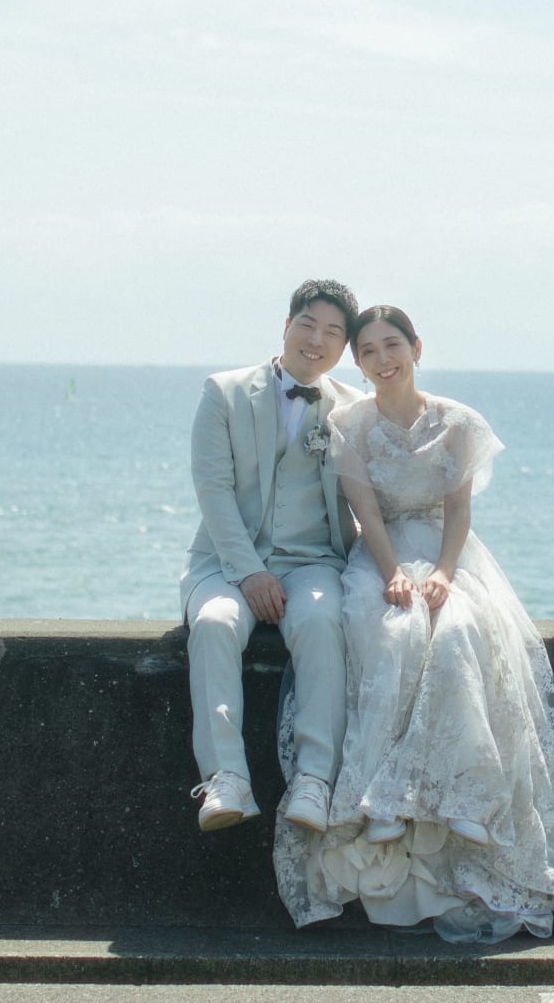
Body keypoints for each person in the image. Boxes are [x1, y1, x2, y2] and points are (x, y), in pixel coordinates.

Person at [277, 304, 554, 941]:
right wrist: (393, 573)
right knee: (391, 632)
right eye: (368, 351)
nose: (382, 360)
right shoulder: (349, 425)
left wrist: (445, 574)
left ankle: (468, 798)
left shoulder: (457, 421)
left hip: (449, 552)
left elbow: (458, 511)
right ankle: (383, 802)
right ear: (358, 363)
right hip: (382, 553)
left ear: (416, 348)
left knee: (456, 633)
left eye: (391, 345)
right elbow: (367, 514)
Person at [182, 279, 363, 834]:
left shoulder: (354, 410)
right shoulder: (224, 392)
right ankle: (226, 778)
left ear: (344, 346)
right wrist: (250, 572)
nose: (317, 340)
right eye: (307, 325)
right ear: (286, 326)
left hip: (314, 561)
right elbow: (213, 490)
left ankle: (315, 779)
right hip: (226, 559)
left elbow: (369, 499)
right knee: (213, 623)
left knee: (323, 622)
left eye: (332, 332)